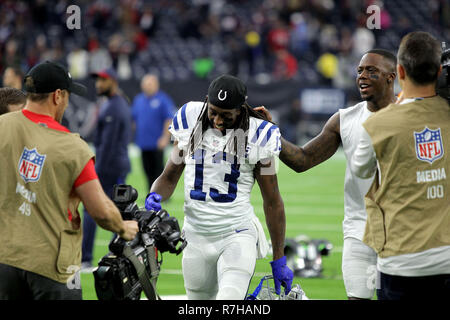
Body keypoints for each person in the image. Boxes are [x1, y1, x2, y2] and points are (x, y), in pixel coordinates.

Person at [257, 49, 397, 300]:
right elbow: (303, 160)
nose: (362, 76)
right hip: (359, 230)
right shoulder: (345, 119)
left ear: (391, 77)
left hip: (402, 230)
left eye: (371, 71)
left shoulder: (413, 116)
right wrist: (272, 134)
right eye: (359, 71)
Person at [145, 74, 293, 300]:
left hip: (236, 234)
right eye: (213, 112)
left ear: (241, 110)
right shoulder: (191, 118)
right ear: (206, 101)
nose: (218, 121)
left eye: (227, 116)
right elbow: (169, 176)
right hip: (194, 236)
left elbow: (272, 200)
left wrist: (279, 257)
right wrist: (153, 198)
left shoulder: (259, 133)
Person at [0, 61, 138, 300]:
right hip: (53, 266)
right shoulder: (72, 146)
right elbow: (100, 211)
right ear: (57, 96)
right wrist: (124, 228)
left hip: (5, 259)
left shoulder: (3, 125)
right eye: (67, 96)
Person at [350, 31, 450, 300]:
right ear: (439, 71)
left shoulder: (378, 124)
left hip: (400, 261)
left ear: (400, 72)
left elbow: (360, 170)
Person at [81, 68, 132, 270]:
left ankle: (89, 257)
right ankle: (114, 254)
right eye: (98, 80)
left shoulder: (113, 107)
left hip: (110, 168)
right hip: (115, 166)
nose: (98, 84)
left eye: (102, 80)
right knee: (115, 209)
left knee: (94, 210)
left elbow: (109, 145)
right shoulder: (113, 103)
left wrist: (96, 171)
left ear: (112, 81)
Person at [131, 74, 175, 191]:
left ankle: (162, 193)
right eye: (145, 84)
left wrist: (165, 137)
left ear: (156, 85)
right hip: (143, 141)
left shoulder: (163, 99)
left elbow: (168, 119)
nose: (147, 86)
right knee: (146, 169)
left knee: (159, 170)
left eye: (150, 84)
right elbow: (134, 119)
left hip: (157, 141)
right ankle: (150, 192)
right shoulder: (138, 100)